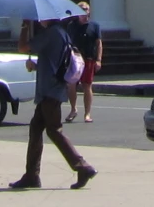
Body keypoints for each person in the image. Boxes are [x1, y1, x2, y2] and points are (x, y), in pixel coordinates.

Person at [11, 16, 97, 191]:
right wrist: (35, 66)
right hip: (50, 90)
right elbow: (52, 62)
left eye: (42, 17)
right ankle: (31, 175)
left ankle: (83, 166)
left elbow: (22, 47)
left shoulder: (51, 33)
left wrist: (24, 27)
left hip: (50, 91)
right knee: (36, 128)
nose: (40, 20)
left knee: (54, 130)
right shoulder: (61, 33)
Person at [67, 1, 102, 123]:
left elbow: (98, 44)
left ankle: (87, 114)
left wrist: (98, 60)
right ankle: (73, 109)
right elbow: (68, 43)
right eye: (81, 9)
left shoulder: (95, 26)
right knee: (71, 85)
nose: (84, 11)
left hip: (89, 59)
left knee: (87, 85)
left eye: (86, 9)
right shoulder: (71, 25)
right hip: (74, 59)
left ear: (89, 11)